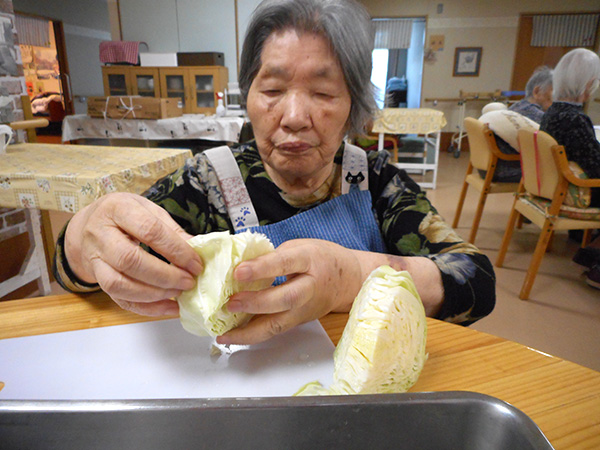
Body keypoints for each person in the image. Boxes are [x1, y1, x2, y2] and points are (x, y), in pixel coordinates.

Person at [53, 0, 496, 345]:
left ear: (354, 107)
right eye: (273, 89)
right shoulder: (206, 184)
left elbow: (474, 279)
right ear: (246, 96)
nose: (295, 116)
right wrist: (82, 237)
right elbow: (82, 268)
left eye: (323, 91)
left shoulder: (375, 181)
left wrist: (348, 277)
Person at [540, 48, 600, 290]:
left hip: (554, 186)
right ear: (589, 84)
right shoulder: (575, 119)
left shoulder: (552, 113)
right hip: (572, 191)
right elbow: (596, 166)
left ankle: (590, 248)